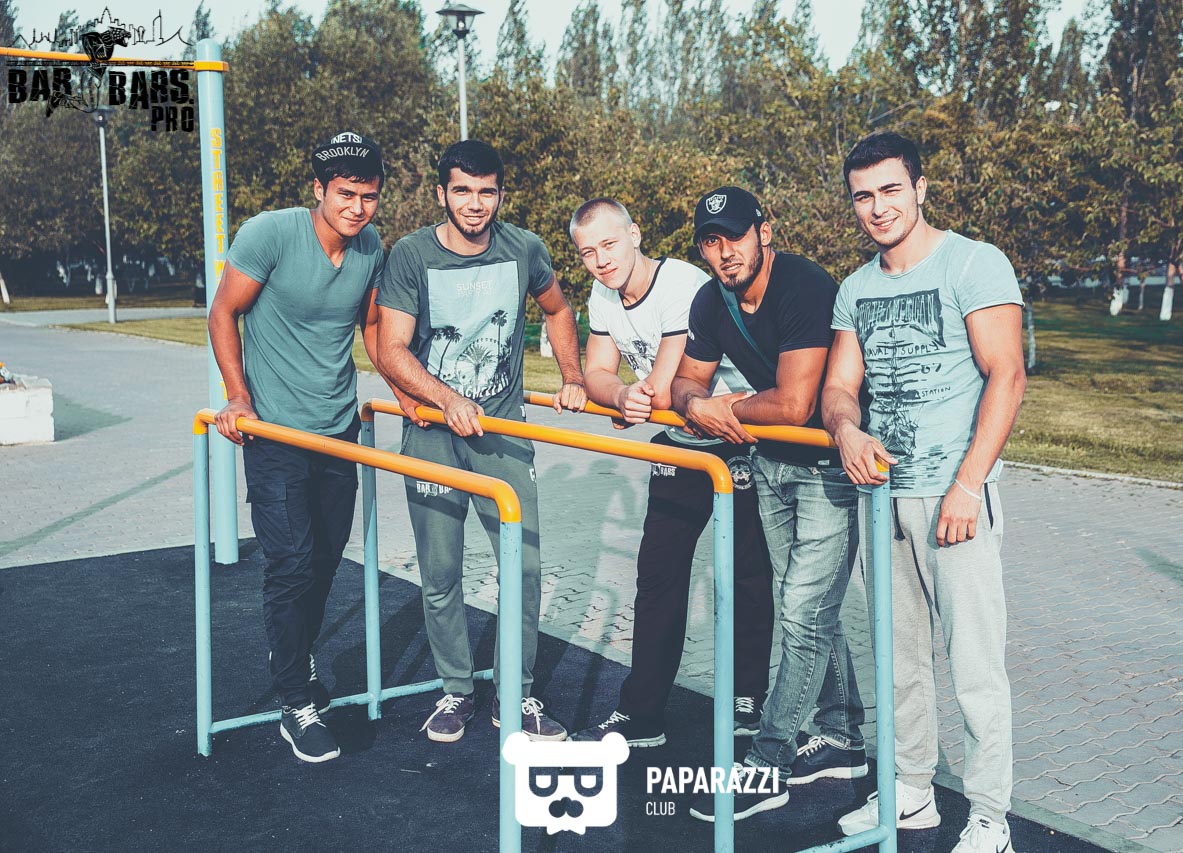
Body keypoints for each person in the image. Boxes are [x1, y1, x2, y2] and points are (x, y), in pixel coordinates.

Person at [822, 132, 1026, 852]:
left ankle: (990, 817)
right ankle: (911, 792)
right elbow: (839, 388)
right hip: (883, 497)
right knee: (899, 662)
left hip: (955, 497)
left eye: (890, 190)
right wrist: (846, 430)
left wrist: (968, 485)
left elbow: (1008, 375)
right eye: (863, 196)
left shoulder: (973, 262)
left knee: (975, 668)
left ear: (920, 188)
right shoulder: (856, 288)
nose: (877, 208)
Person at [375, 139, 587, 744]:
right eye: (462, 191)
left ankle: (516, 694)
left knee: (524, 566)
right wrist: (445, 399)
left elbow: (558, 309)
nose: (475, 204)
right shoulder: (412, 255)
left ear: (500, 194)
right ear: (441, 193)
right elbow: (391, 347)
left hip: (501, 432)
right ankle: (456, 690)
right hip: (432, 432)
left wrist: (572, 377)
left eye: (486, 192)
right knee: (441, 571)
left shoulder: (524, 248)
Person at [676, 187, 868, 822]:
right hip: (770, 463)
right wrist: (694, 404)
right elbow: (684, 382)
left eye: (734, 236)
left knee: (802, 613)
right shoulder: (712, 299)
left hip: (827, 467)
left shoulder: (804, 285)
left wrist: (722, 407)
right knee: (808, 608)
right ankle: (840, 735)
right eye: (710, 242)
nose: (724, 252)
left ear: (764, 230)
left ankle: (769, 760)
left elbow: (794, 403)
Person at [564, 198, 775, 747]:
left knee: (746, 576)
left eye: (610, 244)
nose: (601, 261)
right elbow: (597, 370)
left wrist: (633, 397)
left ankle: (747, 699)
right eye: (588, 253)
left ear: (635, 235)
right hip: (682, 441)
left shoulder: (681, 282)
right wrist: (619, 396)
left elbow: (669, 383)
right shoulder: (603, 293)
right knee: (658, 576)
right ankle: (643, 713)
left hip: (738, 438)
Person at [208, 131, 388, 763]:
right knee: (290, 564)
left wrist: (407, 392)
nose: (358, 208)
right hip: (276, 433)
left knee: (325, 561)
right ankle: (294, 700)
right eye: (346, 194)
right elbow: (222, 312)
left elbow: (371, 328)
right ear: (319, 190)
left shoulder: (371, 248)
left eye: (369, 196)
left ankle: (294, 653)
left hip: (338, 430)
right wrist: (237, 397)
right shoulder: (270, 234)